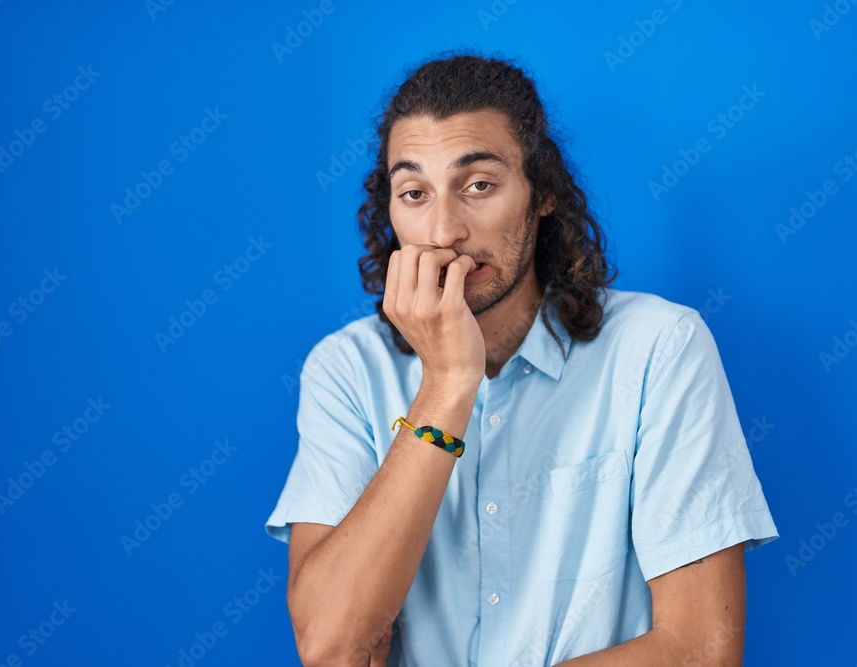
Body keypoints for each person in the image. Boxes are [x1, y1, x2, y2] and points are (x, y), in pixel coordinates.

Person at [266, 52, 779, 666]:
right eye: (414, 192)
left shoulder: (659, 348)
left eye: (478, 184)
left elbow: (700, 651)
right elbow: (330, 645)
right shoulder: (346, 370)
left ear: (543, 195)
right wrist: (448, 385)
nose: (444, 228)